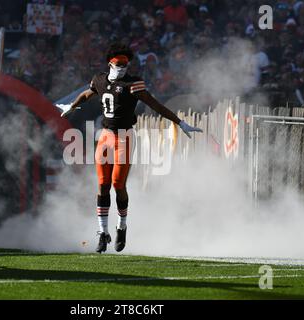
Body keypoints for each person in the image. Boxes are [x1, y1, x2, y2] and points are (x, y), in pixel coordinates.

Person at [56, 43, 202, 253]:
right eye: (119, 64)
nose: (123, 67)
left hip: (124, 136)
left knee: (118, 184)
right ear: (110, 64)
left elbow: (155, 105)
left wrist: (180, 122)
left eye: (126, 64)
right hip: (105, 136)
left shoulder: (133, 84)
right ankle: (102, 232)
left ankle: (121, 226)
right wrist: (72, 105)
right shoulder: (99, 79)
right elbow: (88, 93)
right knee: (102, 184)